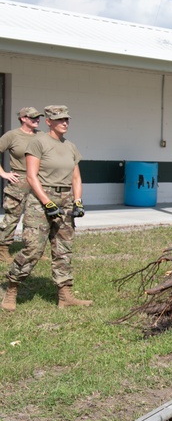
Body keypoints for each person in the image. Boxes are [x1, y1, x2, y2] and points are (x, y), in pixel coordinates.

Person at [2, 105, 91, 310]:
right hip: (41, 200)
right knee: (33, 248)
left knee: (63, 248)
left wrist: (77, 201)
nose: (64, 122)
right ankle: (12, 288)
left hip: (65, 198)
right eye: (59, 119)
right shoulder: (37, 143)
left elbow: (76, 177)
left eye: (67, 119)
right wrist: (47, 202)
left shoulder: (70, 146)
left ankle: (65, 295)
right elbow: (32, 176)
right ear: (49, 121)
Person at [0, 107, 43, 263]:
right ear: (23, 118)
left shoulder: (42, 136)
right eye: (32, 117)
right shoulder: (12, 135)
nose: (36, 120)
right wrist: (4, 173)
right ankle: (2, 249)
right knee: (12, 216)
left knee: (36, 217)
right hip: (19, 180)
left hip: (39, 180)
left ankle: (32, 249)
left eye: (38, 117)